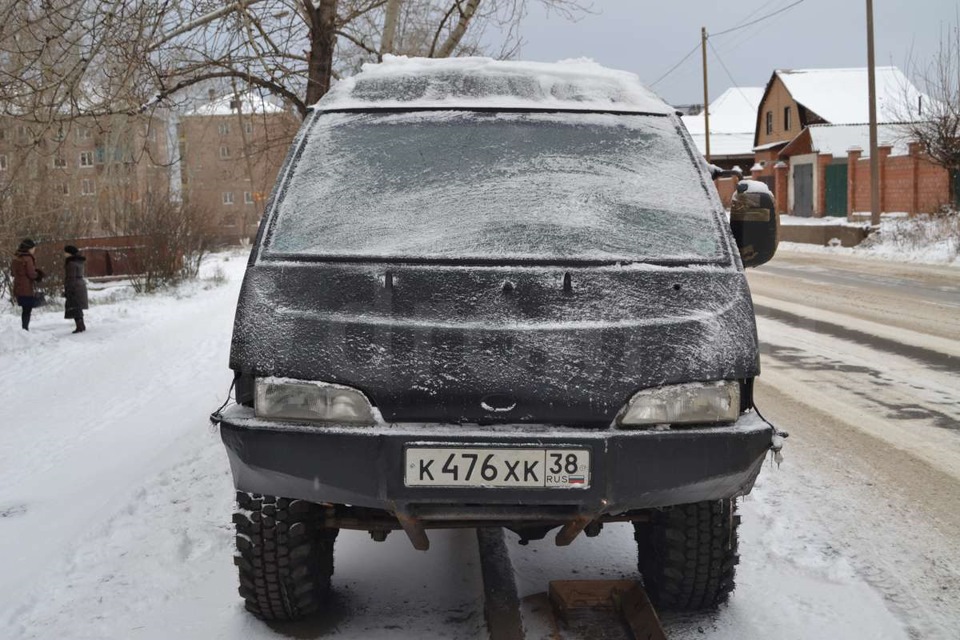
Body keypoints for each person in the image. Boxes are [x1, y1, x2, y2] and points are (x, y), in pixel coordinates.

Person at [10, 238, 44, 331]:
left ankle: (24, 328)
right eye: (33, 248)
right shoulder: (27, 258)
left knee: (25, 308)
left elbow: (12, 272)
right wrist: (38, 275)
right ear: (29, 248)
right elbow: (31, 274)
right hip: (26, 287)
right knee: (27, 309)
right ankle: (25, 328)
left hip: (18, 286)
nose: (34, 250)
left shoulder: (16, 257)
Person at [63, 245, 88, 333]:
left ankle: (79, 326)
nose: (64, 254)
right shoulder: (79, 261)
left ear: (69, 253)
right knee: (78, 306)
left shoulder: (71, 263)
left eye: (65, 252)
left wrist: (69, 289)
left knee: (74, 306)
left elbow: (71, 277)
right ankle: (81, 325)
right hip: (80, 285)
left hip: (75, 286)